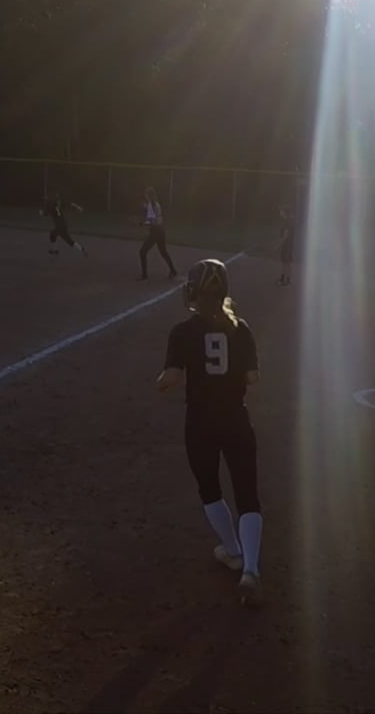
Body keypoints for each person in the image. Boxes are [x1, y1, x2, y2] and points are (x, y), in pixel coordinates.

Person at [155, 258, 264, 607]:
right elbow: (252, 378)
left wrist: (162, 381)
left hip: (201, 423)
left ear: (193, 292)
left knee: (210, 489)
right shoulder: (241, 329)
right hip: (236, 419)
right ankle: (250, 569)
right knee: (247, 494)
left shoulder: (183, 332)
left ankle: (232, 550)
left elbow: (171, 379)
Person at [138, 187, 179, 280]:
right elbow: (154, 218)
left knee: (142, 251)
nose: (145, 197)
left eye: (146, 195)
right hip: (161, 230)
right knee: (163, 252)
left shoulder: (150, 205)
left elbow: (151, 221)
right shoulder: (156, 204)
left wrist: (141, 223)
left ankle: (144, 275)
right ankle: (173, 270)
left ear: (148, 196)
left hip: (155, 232)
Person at [42, 193, 88, 257]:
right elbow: (70, 204)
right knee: (53, 235)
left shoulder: (52, 207)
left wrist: (41, 212)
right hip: (63, 225)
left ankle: (81, 248)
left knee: (67, 240)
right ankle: (56, 250)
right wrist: (78, 207)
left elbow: (45, 214)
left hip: (59, 227)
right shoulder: (58, 205)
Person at [276, 205, 295, 287]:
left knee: (285, 263)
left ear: (285, 213)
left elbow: (285, 236)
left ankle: (283, 280)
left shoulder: (286, 222)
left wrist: (278, 245)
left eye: (281, 211)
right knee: (288, 263)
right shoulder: (290, 221)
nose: (280, 213)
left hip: (286, 246)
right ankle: (288, 280)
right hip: (290, 245)